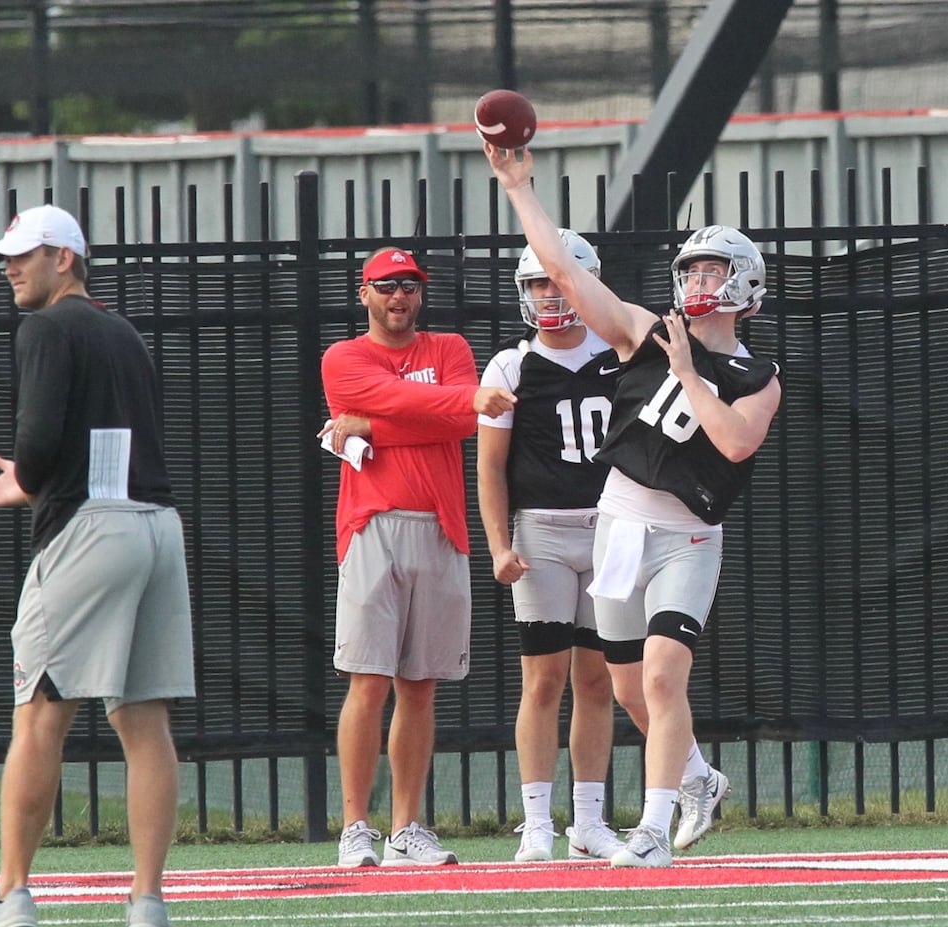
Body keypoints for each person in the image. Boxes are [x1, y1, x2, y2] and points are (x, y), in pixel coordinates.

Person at [484, 143, 782, 868]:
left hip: (685, 537)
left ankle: (650, 831)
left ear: (745, 284)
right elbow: (563, 271)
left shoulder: (757, 374)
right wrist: (520, 190)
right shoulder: (643, 334)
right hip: (619, 521)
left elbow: (736, 444)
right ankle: (697, 778)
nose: (699, 281)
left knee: (660, 676)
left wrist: (688, 372)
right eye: (692, 270)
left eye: (713, 269)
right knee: (625, 689)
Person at [0, 204, 195, 927]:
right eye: (6, 256)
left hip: (90, 533)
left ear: (66, 259)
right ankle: (147, 905)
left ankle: (12, 894)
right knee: (144, 719)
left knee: (39, 714)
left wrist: (25, 476)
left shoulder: (46, 327)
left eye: (24, 254)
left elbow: (40, 434)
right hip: (156, 527)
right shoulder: (123, 331)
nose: (9, 267)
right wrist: (35, 477)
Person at [320, 246, 517, 868]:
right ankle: (356, 827)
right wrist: (453, 407)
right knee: (368, 680)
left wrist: (369, 426)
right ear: (364, 292)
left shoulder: (450, 348)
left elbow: (456, 424)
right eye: (386, 286)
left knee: (421, 685)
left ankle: (406, 828)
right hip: (372, 524)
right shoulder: (343, 357)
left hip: (439, 526)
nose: (399, 296)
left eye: (409, 285)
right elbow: (450, 409)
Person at [478, 230, 644, 862]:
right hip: (541, 533)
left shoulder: (623, 353)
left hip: (611, 527)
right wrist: (499, 544)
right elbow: (491, 469)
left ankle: (590, 822)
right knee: (543, 680)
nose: (548, 294)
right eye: (538, 282)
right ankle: (538, 823)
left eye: (558, 280)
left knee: (598, 679)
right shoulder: (510, 366)